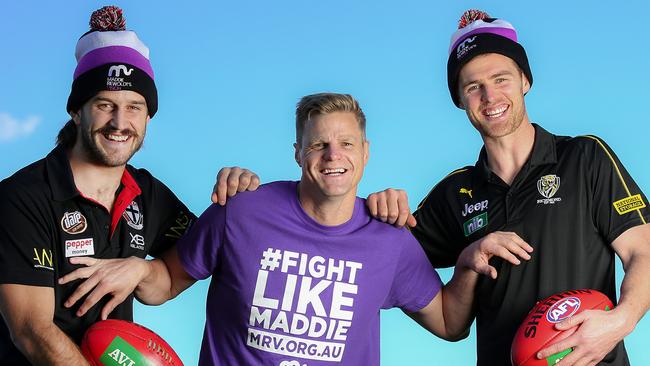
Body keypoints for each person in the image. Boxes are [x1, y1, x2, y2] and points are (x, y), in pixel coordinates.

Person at [60, 92, 533, 365]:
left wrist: (469, 264)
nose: (333, 156)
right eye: (318, 145)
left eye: (346, 143)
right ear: (297, 153)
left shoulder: (390, 238)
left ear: (366, 152)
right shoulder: (241, 210)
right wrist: (136, 269)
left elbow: (450, 324)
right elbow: (163, 285)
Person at [361, 9, 650, 366]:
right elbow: (388, 258)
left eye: (501, 79)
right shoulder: (455, 194)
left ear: (524, 81)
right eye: (473, 87)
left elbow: (643, 251)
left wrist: (620, 322)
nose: (489, 96)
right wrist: (376, 211)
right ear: (460, 100)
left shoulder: (585, 157)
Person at [0, 6, 213, 365]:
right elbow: (31, 331)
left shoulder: (148, 195)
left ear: (148, 117)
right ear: (76, 111)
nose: (120, 122)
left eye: (134, 107)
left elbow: (187, 265)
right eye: (104, 104)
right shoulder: (23, 197)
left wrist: (142, 269)